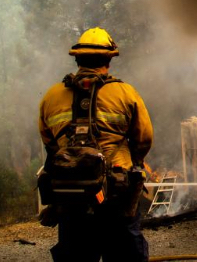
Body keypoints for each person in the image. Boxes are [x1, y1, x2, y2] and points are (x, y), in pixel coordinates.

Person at [39, 27, 154, 261]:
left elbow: (49, 144)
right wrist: (136, 162)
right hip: (117, 194)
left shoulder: (51, 97)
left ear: (77, 58)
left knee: (76, 253)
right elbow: (144, 138)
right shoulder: (125, 93)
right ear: (108, 59)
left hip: (71, 196)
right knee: (125, 254)